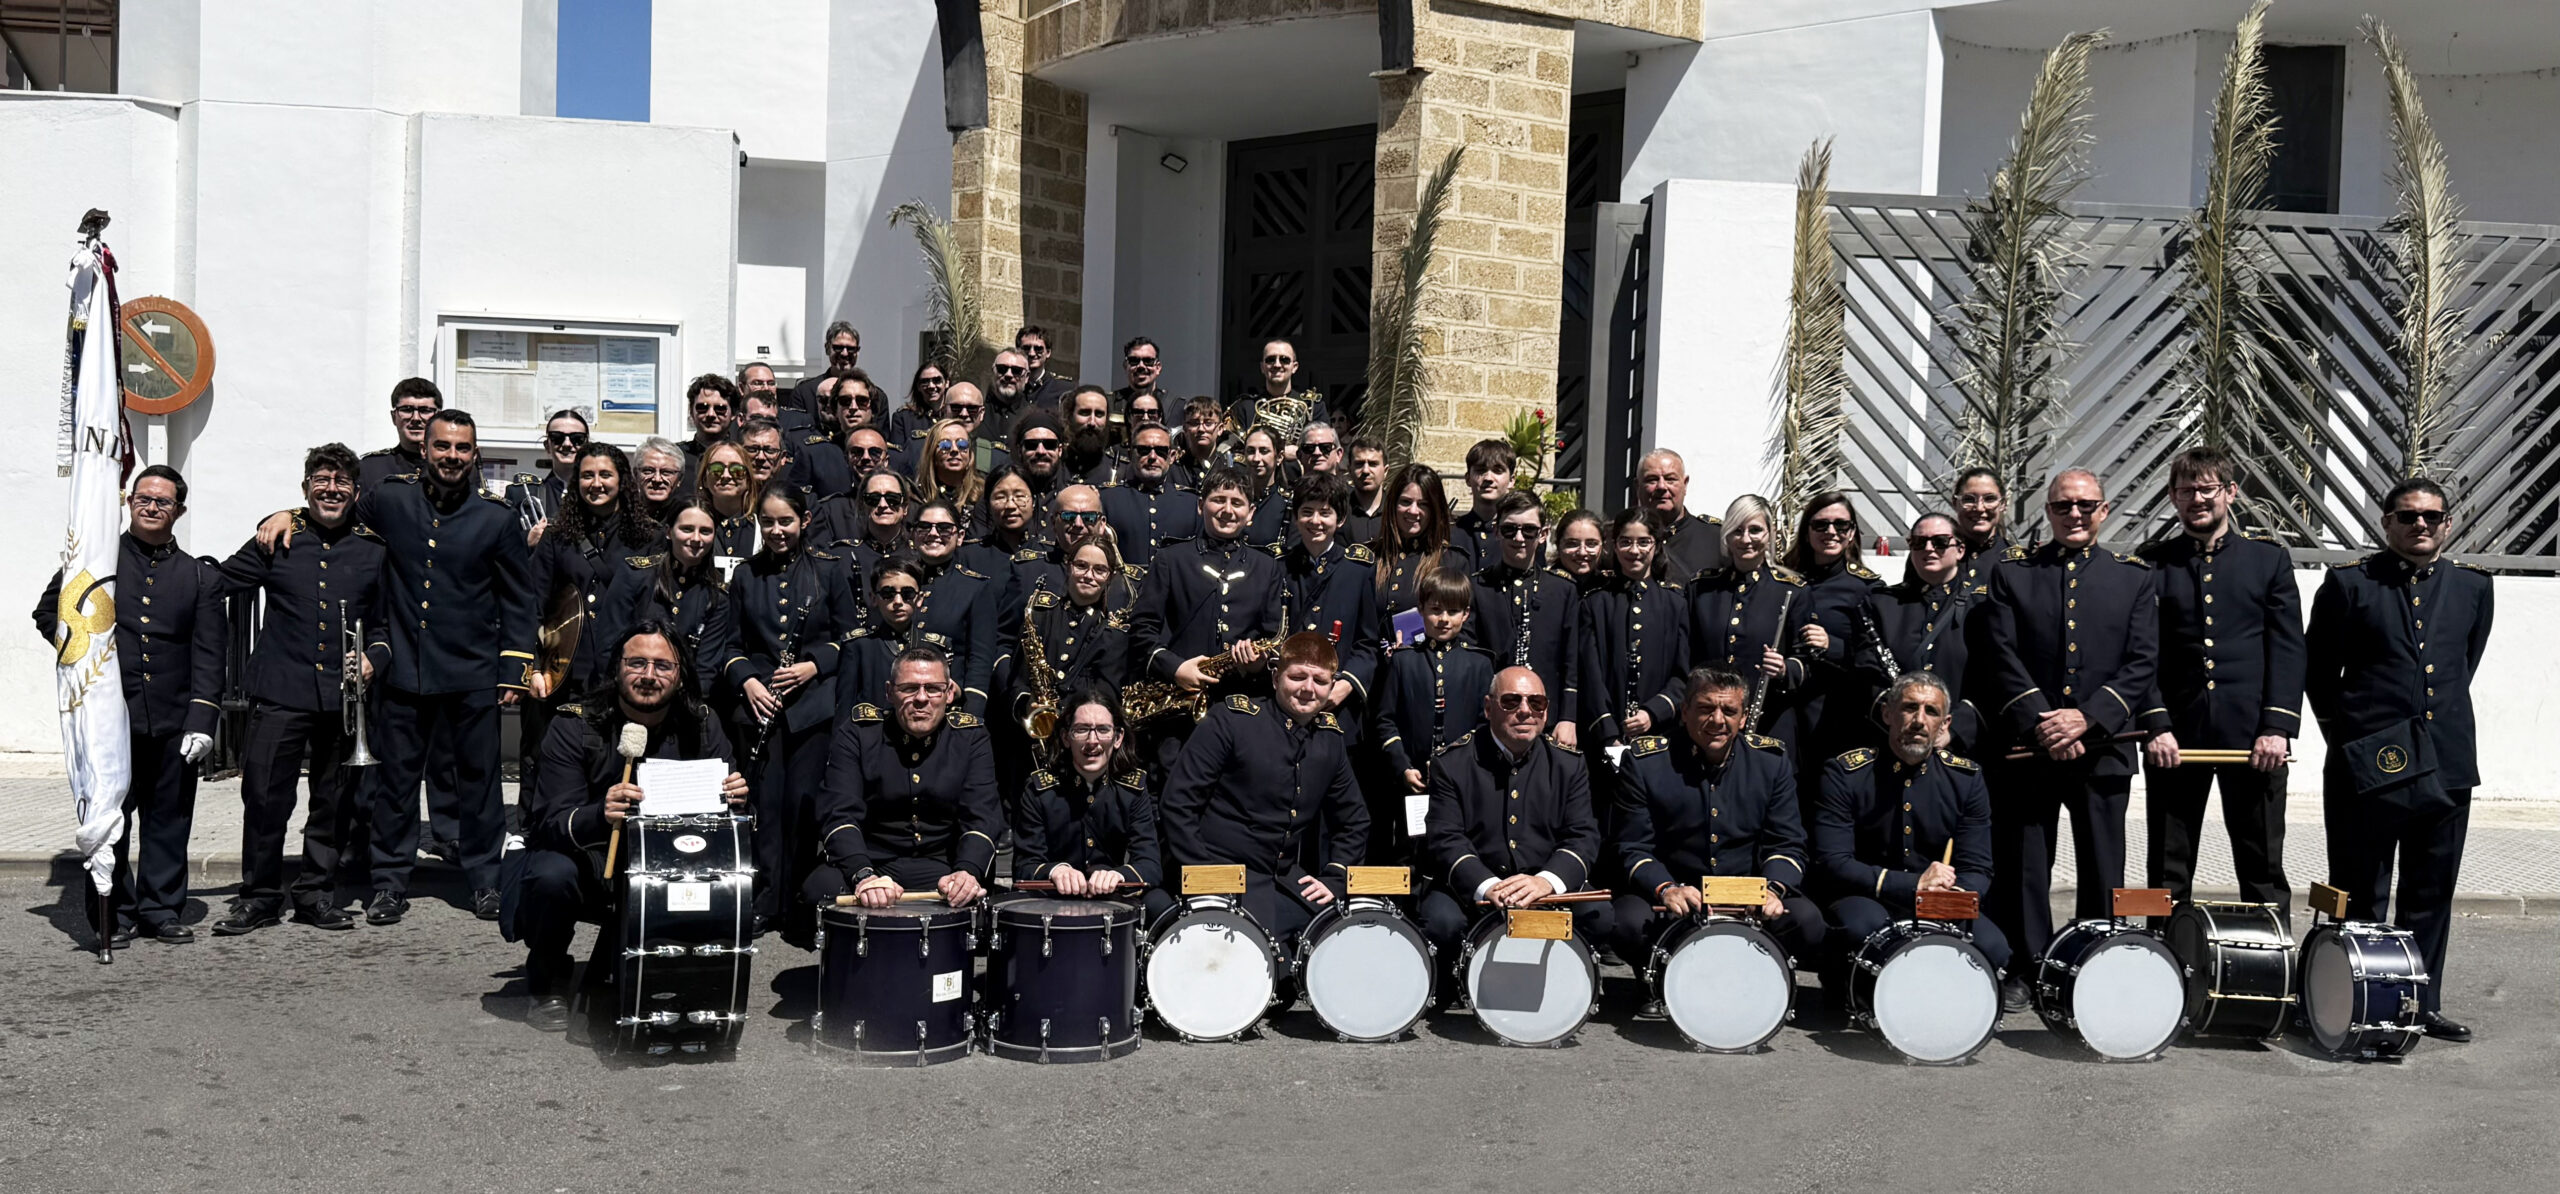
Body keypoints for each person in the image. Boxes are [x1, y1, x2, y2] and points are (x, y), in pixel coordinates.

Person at [2305, 477, 2491, 1042]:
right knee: (2360, 888)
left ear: (2448, 524)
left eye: (2432, 516)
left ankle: (2419, 1003)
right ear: (2387, 523)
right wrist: (2349, 740)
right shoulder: (2350, 583)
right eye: (2407, 517)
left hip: (2446, 762)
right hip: (2369, 763)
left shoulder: (2473, 586)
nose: (2420, 525)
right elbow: (2319, 674)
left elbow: (2464, 663)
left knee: (2431, 890)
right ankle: (2351, 999)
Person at [333, 411, 535, 926]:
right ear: (424, 450)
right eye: (442, 446)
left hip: (472, 672)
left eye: (462, 448)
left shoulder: (496, 517)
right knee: (396, 785)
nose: (451, 456)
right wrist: (286, 517)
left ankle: (485, 879)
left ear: (475, 454)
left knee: (479, 784)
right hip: (405, 670)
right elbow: (335, 514)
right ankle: (389, 883)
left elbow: (518, 599)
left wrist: (513, 668)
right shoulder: (391, 498)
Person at [1972, 467, 2157, 1008]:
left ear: (2104, 510)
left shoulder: (2133, 577)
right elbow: (2000, 654)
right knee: (2026, 865)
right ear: (2047, 511)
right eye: (2062, 506)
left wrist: (2087, 718)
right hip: (2031, 748)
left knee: (2103, 866)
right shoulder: (2013, 573)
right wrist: (2044, 720)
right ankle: (2029, 967)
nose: (2074, 514)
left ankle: (2093, 964)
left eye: (2085, 505)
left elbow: (2142, 660)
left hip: (2103, 748)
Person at [516, 623, 749, 1031]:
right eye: (636, 663)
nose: (648, 675)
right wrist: (598, 813)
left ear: (680, 676)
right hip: (594, 862)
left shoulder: (702, 723)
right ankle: (547, 977)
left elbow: (730, 819)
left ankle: (691, 976)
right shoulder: (574, 724)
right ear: (617, 668)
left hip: (667, 862)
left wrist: (738, 797)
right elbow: (549, 822)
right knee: (551, 875)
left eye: (662, 666)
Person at [35, 465, 227, 946]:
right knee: (109, 819)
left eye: (163, 501)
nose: (151, 507)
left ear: (179, 510)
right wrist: (83, 654)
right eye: (144, 498)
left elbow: (209, 653)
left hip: (172, 719)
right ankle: (112, 913)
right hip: (108, 719)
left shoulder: (199, 576)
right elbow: (48, 612)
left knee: (169, 820)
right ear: (129, 502)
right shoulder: (97, 560)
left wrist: (202, 718)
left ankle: (160, 910)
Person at [215, 445, 387, 934]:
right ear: (306, 487)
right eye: (321, 480)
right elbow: (215, 582)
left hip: (341, 698)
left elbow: (383, 625)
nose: (331, 489)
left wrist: (374, 658)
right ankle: (260, 897)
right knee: (265, 798)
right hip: (280, 691)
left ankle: (315, 894)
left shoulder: (374, 550)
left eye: (341, 482)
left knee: (332, 803)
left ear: (356, 491)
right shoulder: (278, 537)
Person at [2138, 446, 2305, 919]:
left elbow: (2288, 649)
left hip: (2253, 738)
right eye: (2186, 490)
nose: (2197, 499)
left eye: (2207, 489)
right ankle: (2163, 955)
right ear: (2173, 497)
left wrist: (2276, 727)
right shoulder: (2152, 564)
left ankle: (2274, 959)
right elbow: (2141, 653)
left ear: (2230, 492)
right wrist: (2155, 724)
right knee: (2167, 867)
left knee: (2262, 866)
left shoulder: (2267, 561)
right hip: (2175, 737)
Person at [1610, 666, 1826, 1001]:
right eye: (1705, 708)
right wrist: (1666, 888)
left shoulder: (1771, 762)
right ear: (1684, 711)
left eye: (1729, 710)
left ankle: (1755, 979)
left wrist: (1771, 891)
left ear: (1744, 717)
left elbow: (1787, 844)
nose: (1717, 720)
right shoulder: (1646, 762)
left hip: (1747, 895)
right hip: (1678, 892)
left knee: (1807, 921)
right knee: (1627, 921)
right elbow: (1633, 846)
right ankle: (1656, 978)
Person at [1159, 632, 1366, 960]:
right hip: (1221, 871)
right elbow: (1178, 803)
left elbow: (1354, 821)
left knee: (1342, 939)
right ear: (1275, 678)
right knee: (1264, 957)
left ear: (1331, 686)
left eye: (1319, 680)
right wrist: (1206, 875)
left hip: (1283, 877)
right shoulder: (1230, 720)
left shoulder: (1330, 739)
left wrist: (1336, 877)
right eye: (1297, 677)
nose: (1308, 688)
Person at [1811, 670, 2009, 976]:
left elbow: (1978, 866)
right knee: (1864, 929)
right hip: (1866, 896)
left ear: (1945, 724)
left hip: (1935, 900)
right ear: (1887, 714)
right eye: (1909, 707)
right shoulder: (1846, 774)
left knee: (1992, 946)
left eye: (1931, 712)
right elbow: (1833, 861)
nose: (1919, 720)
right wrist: (1913, 884)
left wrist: (1952, 897)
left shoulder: (1965, 779)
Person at [1417, 666, 1604, 988]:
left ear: (1546, 711)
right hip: (1475, 887)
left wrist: (1546, 881)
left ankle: (1562, 985)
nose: (1525, 711)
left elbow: (1582, 836)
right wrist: (1487, 885)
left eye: (1536, 703)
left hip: (1540, 885)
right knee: (1442, 922)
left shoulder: (1568, 765)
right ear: (1489, 707)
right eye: (1511, 701)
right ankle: (1454, 981)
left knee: (1600, 917)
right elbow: (1444, 838)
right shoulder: (1452, 763)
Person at [723, 483, 847, 935]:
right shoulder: (745, 575)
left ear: (805, 521)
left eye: (786, 521)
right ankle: (766, 898)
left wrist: (813, 665)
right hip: (762, 709)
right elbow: (731, 645)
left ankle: (797, 901)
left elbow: (850, 637)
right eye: (768, 522)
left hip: (813, 710)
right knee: (766, 806)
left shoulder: (829, 570)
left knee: (802, 805)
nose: (777, 530)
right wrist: (747, 681)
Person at [524, 443, 663, 822]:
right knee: (545, 754)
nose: (596, 483)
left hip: (622, 670)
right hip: (562, 669)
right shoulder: (557, 536)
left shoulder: (649, 536)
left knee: (613, 757)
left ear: (622, 481)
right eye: (587, 475)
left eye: (605, 475)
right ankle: (537, 830)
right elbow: (533, 604)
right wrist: (532, 667)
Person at [805, 647, 1002, 910]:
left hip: (944, 866)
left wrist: (967, 870)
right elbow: (839, 813)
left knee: (976, 898)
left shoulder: (971, 737)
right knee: (819, 889)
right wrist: (863, 874)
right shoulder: (858, 734)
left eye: (933, 689)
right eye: (909, 688)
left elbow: (982, 815)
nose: (921, 698)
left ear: (949, 693)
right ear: (889, 692)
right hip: (873, 861)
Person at [1129, 467, 1285, 768]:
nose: (1227, 510)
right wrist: (1176, 668)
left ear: (1251, 513)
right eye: (1218, 500)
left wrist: (1258, 664)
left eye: (1237, 503)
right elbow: (1142, 631)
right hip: (1177, 713)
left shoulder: (1267, 567)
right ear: (1201, 505)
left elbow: (1272, 635)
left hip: (1241, 709)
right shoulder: (1170, 559)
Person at [1016, 686, 1174, 922]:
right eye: (1082, 730)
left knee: (1161, 904)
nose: (1092, 741)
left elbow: (1150, 865)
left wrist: (1119, 876)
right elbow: (1024, 866)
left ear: (1118, 738)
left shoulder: (1132, 791)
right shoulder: (1040, 791)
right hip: (1054, 901)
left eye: (1102, 730)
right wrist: (1055, 871)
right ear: (1066, 738)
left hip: (1112, 896)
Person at [1375, 570, 1495, 845]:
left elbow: (1485, 725)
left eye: (1453, 612)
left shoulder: (1480, 664)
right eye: (1436, 610)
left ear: (1466, 614)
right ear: (1420, 610)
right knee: (1410, 850)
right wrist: (1403, 767)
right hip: (1412, 778)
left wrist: (1457, 766)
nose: (1444, 619)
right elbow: (1385, 720)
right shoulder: (1403, 661)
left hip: (1462, 780)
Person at [1679, 494, 1812, 726]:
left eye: (1755, 530)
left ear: (1770, 533)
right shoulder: (1701, 588)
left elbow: (1808, 662)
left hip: (1769, 720)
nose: (1746, 539)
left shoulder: (1792, 591)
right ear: (1727, 536)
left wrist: (1784, 669)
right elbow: (1685, 656)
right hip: (1710, 720)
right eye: (1737, 531)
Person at [1865, 512, 1987, 754]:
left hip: (1959, 747)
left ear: (1960, 550)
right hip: (1894, 741)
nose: (1929, 549)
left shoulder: (1983, 605)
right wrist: (1896, 720)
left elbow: (1993, 678)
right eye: (1919, 542)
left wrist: (1955, 729)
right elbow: (1866, 673)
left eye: (1940, 542)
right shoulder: (1883, 604)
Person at [1782, 492, 1884, 777]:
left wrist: (1833, 646)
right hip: (1785, 710)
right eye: (1820, 524)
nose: (1831, 532)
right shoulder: (1783, 577)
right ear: (1807, 531)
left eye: (1841, 525)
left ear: (1851, 533)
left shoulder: (1867, 588)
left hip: (1837, 714)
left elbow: (1878, 658)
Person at [1469, 491, 1580, 747]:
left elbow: (1571, 661)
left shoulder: (1562, 590)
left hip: (1547, 721)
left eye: (1529, 530)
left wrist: (1568, 718)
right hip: (1489, 720)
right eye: (1509, 530)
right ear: (1496, 531)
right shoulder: (1477, 587)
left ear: (1543, 534)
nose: (1519, 538)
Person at [1576, 509, 1688, 752]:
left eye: (1644, 542)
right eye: (1626, 542)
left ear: (1656, 546)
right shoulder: (1595, 603)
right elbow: (1589, 674)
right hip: (1604, 738)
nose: (1634, 551)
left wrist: (1653, 712)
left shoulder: (1675, 604)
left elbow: (1682, 675)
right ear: (1614, 546)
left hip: (1660, 736)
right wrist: (1607, 731)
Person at [601, 504, 738, 696]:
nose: (696, 539)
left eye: (705, 531)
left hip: (681, 701)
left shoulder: (716, 597)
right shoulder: (635, 576)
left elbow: (705, 671)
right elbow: (608, 648)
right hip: (624, 694)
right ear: (668, 532)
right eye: (687, 529)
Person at [1273, 473, 1379, 718]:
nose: (1315, 521)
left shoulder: (1358, 571)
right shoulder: (1279, 567)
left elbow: (1368, 643)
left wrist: (1347, 684)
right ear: (1295, 517)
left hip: (1337, 701)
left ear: (1340, 519)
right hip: (1287, 699)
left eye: (1325, 513)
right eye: (1307, 512)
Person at [1372, 463, 1471, 619]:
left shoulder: (1452, 562)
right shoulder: (1372, 556)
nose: (1413, 511)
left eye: (1423, 504)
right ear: (1393, 504)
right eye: (1405, 502)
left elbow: (1464, 624)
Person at [1100, 423, 1200, 571]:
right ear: (1130, 455)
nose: (1152, 457)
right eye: (1144, 450)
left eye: (1161, 451)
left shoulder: (1191, 504)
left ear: (1172, 456)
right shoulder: (1107, 499)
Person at [1638, 449, 1725, 582]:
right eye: (1652, 480)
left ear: (1685, 484)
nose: (1661, 486)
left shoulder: (1716, 538)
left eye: (1670, 479)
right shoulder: (1619, 539)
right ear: (1637, 486)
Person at [504, 409, 586, 545]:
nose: (567, 444)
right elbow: (502, 547)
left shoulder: (600, 494)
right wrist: (527, 541)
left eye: (577, 438)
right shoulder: (521, 493)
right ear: (547, 445)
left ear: (586, 446)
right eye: (557, 438)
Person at [1230, 338, 1329, 439]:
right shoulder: (1246, 408)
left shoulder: (1313, 407)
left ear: (1294, 367)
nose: (1277, 365)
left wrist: (1296, 448)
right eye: (1270, 360)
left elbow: (1324, 443)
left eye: (1284, 360)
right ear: (1262, 367)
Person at [358, 377, 444, 493]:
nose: (416, 418)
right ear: (394, 417)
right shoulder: (370, 468)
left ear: (438, 417)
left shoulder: (453, 467)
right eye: (407, 410)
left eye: (425, 410)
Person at [1450, 439, 1517, 571]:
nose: (1488, 478)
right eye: (1480, 470)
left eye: (1497, 471)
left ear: (1511, 480)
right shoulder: (1450, 534)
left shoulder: (1521, 537)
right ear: (1468, 478)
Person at [695, 441, 759, 567]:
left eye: (737, 470)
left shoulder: (761, 528)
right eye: (716, 469)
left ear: (748, 480)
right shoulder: (692, 526)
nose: (726, 476)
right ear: (705, 479)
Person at [1950, 467, 2013, 589]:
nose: (1979, 508)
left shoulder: (2017, 561)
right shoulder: (1934, 554)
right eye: (1969, 499)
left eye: (1989, 499)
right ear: (1955, 503)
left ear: (2003, 504)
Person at [1232, 425, 1291, 549]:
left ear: (1279, 457)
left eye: (1264, 451)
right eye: (1251, 451)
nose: (1256, 458)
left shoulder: (1287, 504)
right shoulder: (1232, 497)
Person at [788, 321, 861, 415]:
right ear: (827, 349)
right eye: (838, 347)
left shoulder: (872, 394)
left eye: (851, 349)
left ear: (857, 352)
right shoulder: (804, 393)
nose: (844, 353)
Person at [1063, 386, 1125, 486]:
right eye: (1084, 413)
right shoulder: (1056, 467)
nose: (1092, 422)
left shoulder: (1120, 472)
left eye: (1099, 414)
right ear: (1069, 417)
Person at [1168, 396, 1229, 492]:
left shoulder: (1230, 468)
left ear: (1220, 429)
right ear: (1185, 428)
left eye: (1208, 423)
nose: (1201, 429)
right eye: (1194, 423)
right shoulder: (1172, 470)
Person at [1112, 335, 1168, 436]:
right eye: (1134, 361)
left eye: (1148, 361)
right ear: (1125, 366)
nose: (1141, 366)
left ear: (1158, 367)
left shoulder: (1175, 407)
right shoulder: (1111, 404)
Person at [631, 437, 690, 528]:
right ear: (636, 475)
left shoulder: (688, 518)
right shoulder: (623, 516)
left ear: (680, 478)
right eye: (648, 471)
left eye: (666, 472)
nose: (657, 479)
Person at [1342, 436, 1388, 547]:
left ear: (1385, 471)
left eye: (1373, 464)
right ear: (1349, 470)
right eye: (1359, 464)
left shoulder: (1396, 512)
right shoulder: (1338, 510)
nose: (1366, 470)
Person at [1551, 509, 1607, 592]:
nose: (1582, 553)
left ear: (1603, 546)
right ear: (1558, 545)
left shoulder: (1612, 589)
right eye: (1572, 544)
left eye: (1591, 544)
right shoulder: (1543, 588)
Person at [987, 348, 1038, 432]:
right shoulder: (976, 412)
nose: (1008, 375)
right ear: (993, 372)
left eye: (1017, 371)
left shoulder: (1035, 418)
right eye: (1002, 369)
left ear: (1027, 377)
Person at [739, 417, 789, 494]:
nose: (761, 457)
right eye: (752, 449)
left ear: (783, 457)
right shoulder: (726, 497)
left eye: (769, 450)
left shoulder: (794, 499)